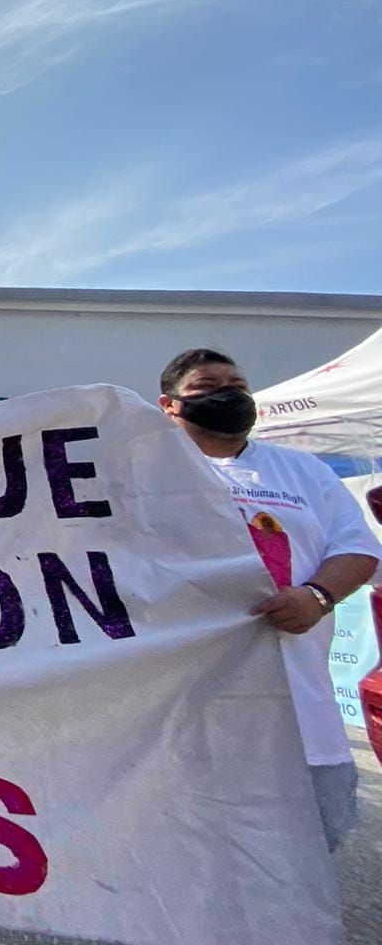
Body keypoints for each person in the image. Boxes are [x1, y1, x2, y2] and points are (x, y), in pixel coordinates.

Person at [159, 347, 380, 852]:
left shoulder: (303, 472)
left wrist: (318, 596)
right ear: (169, 406)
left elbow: (358, 548)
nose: (228, 395)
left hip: (300, 717)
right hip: (181, 718)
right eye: (207, 387)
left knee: (302, 862)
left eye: (237, 385)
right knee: (187, 859)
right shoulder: (139, 474)